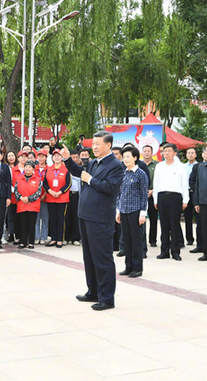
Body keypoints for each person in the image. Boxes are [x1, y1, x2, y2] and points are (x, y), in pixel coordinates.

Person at [64, 132, 125, 311]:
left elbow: (110, 187)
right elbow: (79, 173)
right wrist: (67, 159)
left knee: (102, 258)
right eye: (94, 144)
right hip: (85, 215)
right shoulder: (93, 163)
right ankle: (93, 291)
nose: (95, 147)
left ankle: (107, 298)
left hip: (100, 218)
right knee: (89, 257)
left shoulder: (115, 166)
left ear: (108, 145)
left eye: (98, 144)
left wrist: (90, 180)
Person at [115, 145, 148, 276]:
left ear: (135, 157)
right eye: (124, 157)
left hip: (136, 211)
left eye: (128, 157)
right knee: (127, 241)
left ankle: (137, 268)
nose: (125, 159)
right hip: (124, 211)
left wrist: (143, 213)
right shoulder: (123, 173)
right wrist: (118, 210)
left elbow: (144, 195)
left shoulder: (141, 174)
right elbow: (120, 193)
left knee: (136, 241)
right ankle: (128, 266)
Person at [153, 143, 188, 261]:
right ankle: (164, 251)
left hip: (175, 197)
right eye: (164, 151)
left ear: (175, 153)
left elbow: (184, 184)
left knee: (174, 225)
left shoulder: (180, 167)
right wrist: (155, 199)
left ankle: (175, 251)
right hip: (162, 196)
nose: (166, 153)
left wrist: (185, 200)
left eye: (169, 151)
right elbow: (156, 184)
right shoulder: (159, 166)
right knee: (164, 225)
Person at [44, 149, 71, 248]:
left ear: (62, 157)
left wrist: (60, 192)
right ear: (52, 158)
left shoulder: (66, 169)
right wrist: (50, 191)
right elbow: (45, 183)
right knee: (52, 219)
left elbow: (69, 184)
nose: (57, 157)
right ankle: (53, 238)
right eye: (55, 156)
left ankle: (60, 239)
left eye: (59, 156)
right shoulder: (48, 169)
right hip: (50, 198)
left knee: (60, 219)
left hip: (62, 198)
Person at [14, 160, 43, 248]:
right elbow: (16, 190)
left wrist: (29, 199)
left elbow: (38, 192)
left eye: (30, 167)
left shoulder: (38, 179)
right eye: (26, 167)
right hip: (22, 205)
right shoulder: (19, 179)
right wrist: (21, 198)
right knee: (23, 224)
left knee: (31, 224)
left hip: (33, 205)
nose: (27, 168)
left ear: (33, 169)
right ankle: (23, 242)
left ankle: (31, 242)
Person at [65, 148, 87, 245]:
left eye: (76, 157)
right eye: (72, 157)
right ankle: (66, 237)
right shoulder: (66, 168)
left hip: (78, 195)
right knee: (67, 216)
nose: (75, 159)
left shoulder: (82, 169)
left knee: (76, 216)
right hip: (67, 194)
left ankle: (75, 238)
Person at [140, 146, 158, 249]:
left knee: (153, 218)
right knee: (141, 218)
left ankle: (153, 240)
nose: (146, 153)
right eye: (145, 151)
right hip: (140, 195)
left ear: (152, 152)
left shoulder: (157, 165)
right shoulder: (139, 164)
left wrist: (153, 190)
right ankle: (142, 240)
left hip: (152, 194)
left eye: (148, 151)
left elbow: (159, 180)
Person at [183, 147, 199, 246]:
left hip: (196, 193)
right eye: (188, 153)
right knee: (187, 217)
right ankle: (189, 238)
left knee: (198, 217)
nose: (190, 154)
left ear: (196, 155)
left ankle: (200, 239)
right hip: (186, 192)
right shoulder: (183, 167)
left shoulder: (199, 166)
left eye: (192, 153)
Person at [34, 150, 50, 245]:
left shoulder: (49, 169)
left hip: (46, 197)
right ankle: (36, 237)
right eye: (39, 156)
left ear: (46, 157)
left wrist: (45, 195)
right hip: (35, 198)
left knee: (45, 218)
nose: (41, 158)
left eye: (43, 156)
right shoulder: (34, 169)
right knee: (36, 218)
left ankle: (44, 237)